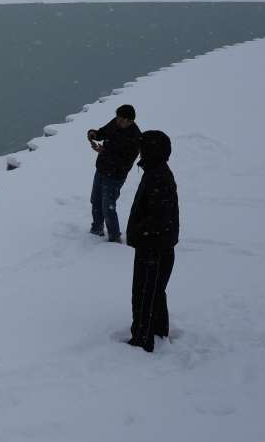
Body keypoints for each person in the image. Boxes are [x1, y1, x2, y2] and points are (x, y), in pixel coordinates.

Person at [125, 130, 179, 353]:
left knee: (145, 293)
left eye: (142, 147)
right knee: (154, 291)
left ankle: (142, 340)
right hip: (155, 246)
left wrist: (140, 231)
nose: (139, 151)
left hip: (153, 248)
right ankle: (158, 331)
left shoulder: (158, 177)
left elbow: (158, 218)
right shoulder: (156, 172)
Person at [85, 104, 141, 242]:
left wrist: (104, 151)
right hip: (101, 169)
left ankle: (114, 237)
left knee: (108, 207)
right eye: (118, 118)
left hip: (115, 177)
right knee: (96, 201)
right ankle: (96, 229)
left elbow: (125, 163)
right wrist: (93, 134)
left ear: (131, 121)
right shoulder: (114, 123)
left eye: (123, 120)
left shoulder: (135, 138)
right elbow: (103, 133)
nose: (119, 122)